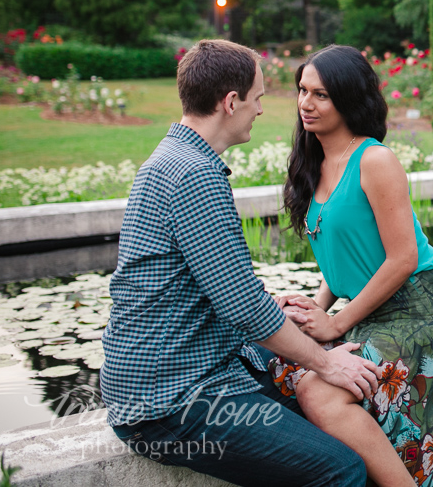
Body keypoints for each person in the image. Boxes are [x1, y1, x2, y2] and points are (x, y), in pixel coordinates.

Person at [100, 39, 385, 487]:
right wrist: (327, 364)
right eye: (257, 99)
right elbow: (242, 307)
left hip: (189, 377)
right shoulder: (193, 176)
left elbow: (219, 292)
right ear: (230, 102)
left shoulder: (177, 161)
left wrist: (278, 310)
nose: (261, 110)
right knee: (340, 468)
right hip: (173, 403)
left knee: (331, 415)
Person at [272, 45, 433, 487]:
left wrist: (336, 323)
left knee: (318, 392)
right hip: (368, 308)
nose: (306, 103)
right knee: (275, 355)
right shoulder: (313, 163)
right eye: (302, 91)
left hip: (417, 313)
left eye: (320, 94)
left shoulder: (375, 160)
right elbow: (342, 254)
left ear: (348, 99)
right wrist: (316, 308)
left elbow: (402, 260)